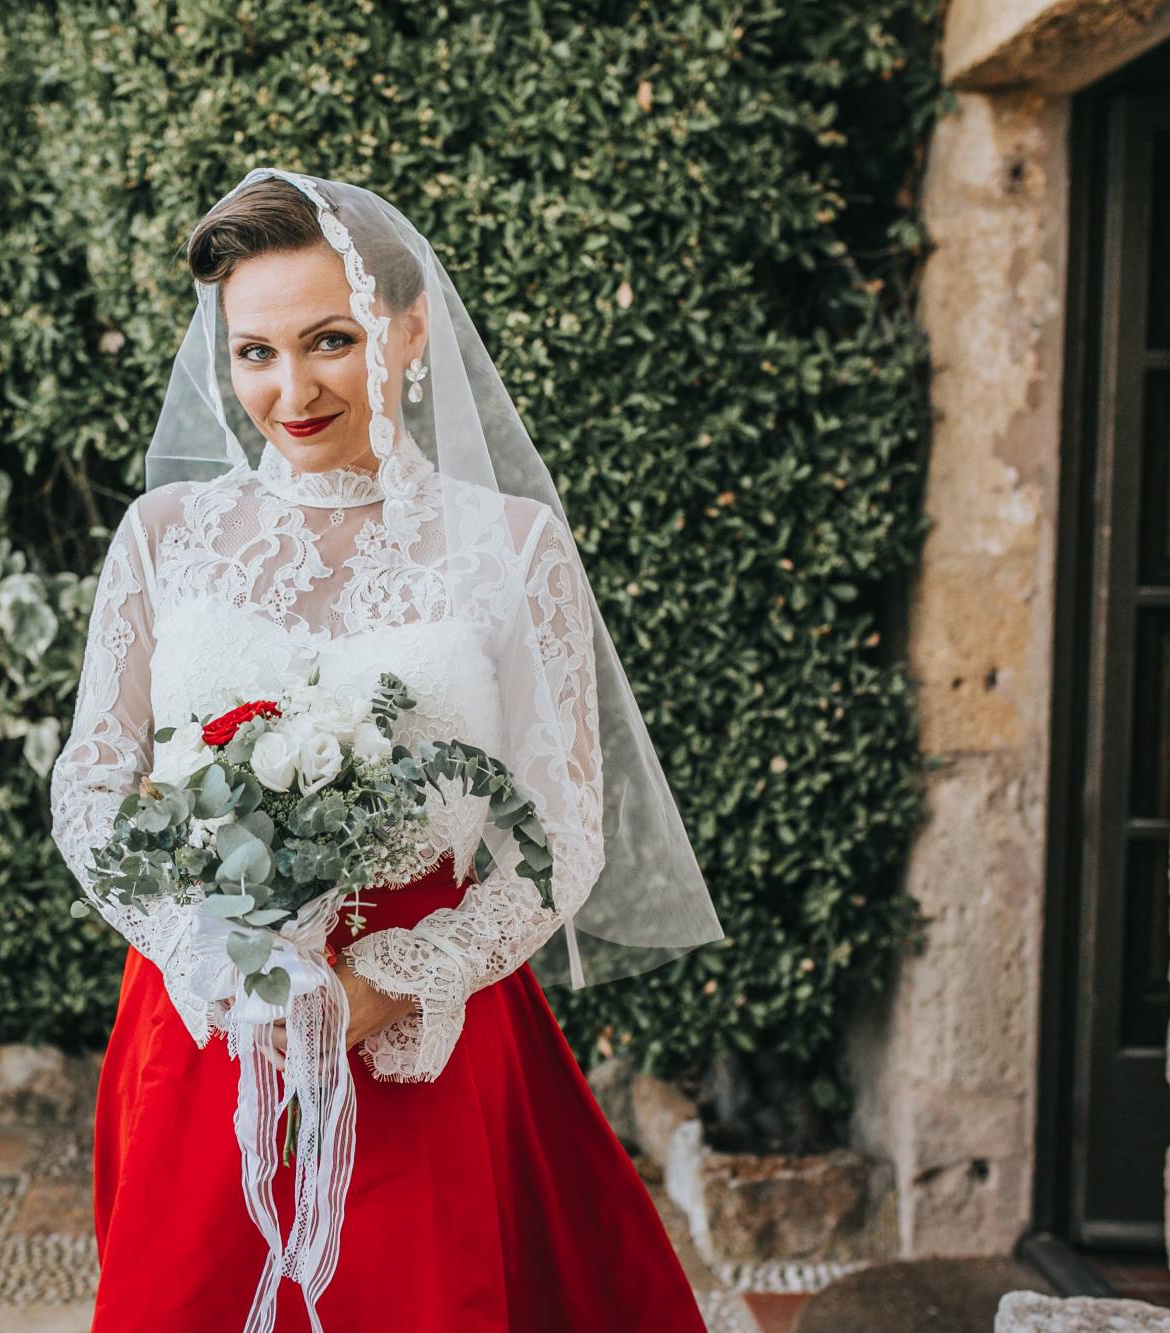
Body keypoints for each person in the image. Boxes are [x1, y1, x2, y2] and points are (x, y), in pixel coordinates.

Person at [50, 169, 723, 1332]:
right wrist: (210, 958)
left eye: (329, 340)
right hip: (212, 1029)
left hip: (427, 1034)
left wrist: (394, 981)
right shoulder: (166, 536)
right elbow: (93, 783)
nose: (289, 389)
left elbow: (560, 827)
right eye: (253, 352)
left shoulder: (510, 549)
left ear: (408, 331)